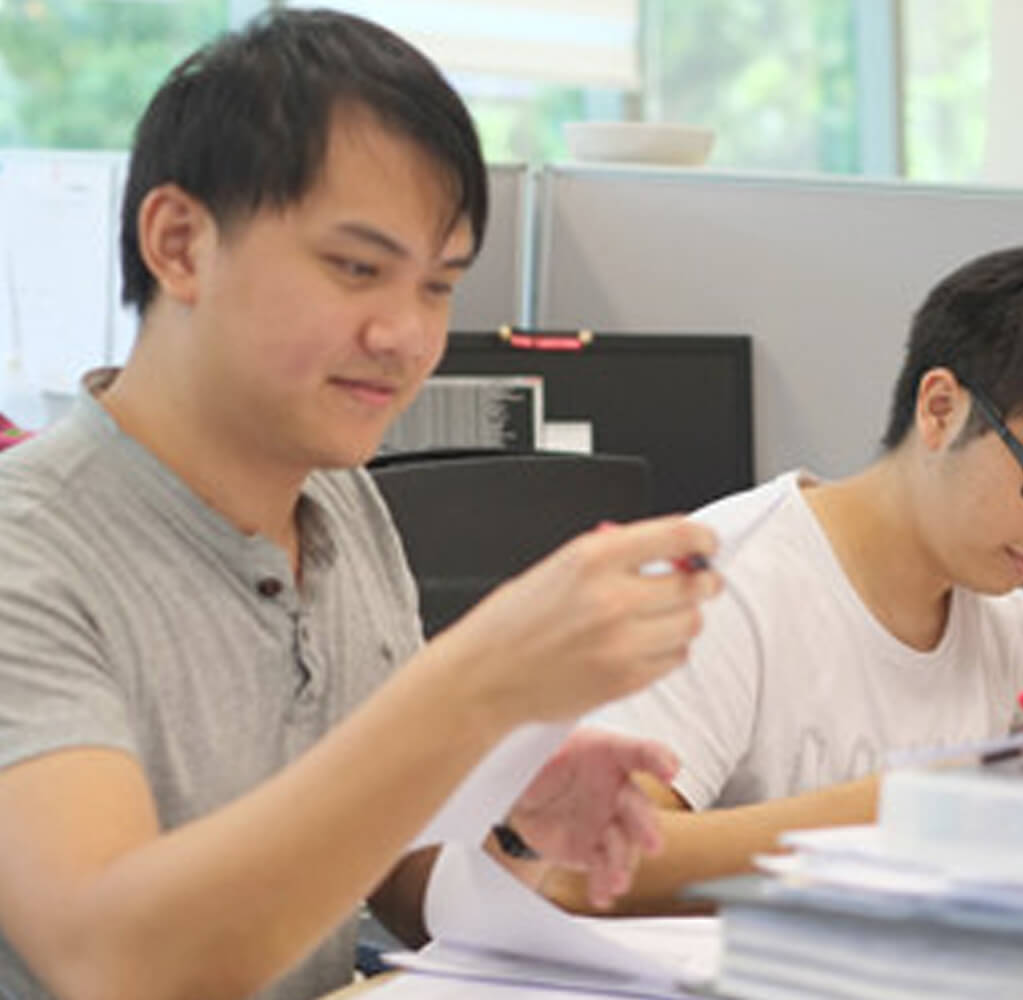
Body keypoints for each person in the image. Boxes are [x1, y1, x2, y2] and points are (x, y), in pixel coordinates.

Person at [0, 10, 722, 1000]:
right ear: (178, 244)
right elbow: (119, 962)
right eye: (356, 268)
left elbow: (379, 873)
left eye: (437, 286)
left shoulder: (340, 505)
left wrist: (499, 802)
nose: (405, 334)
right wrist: (474, 691)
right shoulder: (25, 550)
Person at [546, 239, 1023, 915]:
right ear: (940, 409)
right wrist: (896, 810)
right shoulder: (730, 581)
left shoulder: (1002, 593)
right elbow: (575, 865)